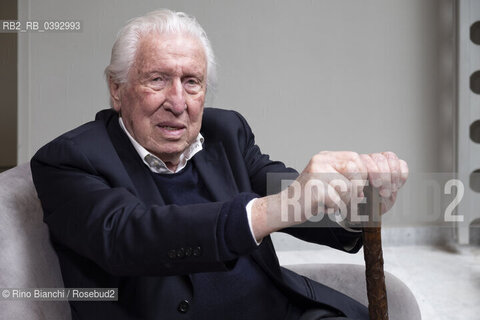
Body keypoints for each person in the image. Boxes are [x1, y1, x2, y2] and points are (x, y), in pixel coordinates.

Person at [30, 9, 408, 320]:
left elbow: (287, 192)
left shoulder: (225, 131)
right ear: (117, 89)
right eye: (158, 80)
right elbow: (132, 237)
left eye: (192, 82)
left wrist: (358, 204)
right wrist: (267, 212)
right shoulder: (69, 160)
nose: (178, 103)